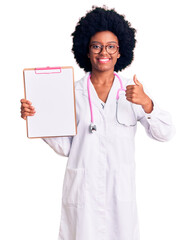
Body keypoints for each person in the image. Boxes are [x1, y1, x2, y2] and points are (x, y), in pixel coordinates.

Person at [20, 6, 175, 240]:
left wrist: (147, 103)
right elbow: (65, 147)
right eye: (96, 46)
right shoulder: (71, 93)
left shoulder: (132, 93)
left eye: (111, 46)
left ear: (121, 51)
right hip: (83, 196)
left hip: (119, 196)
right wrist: (36, 117)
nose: (104, 52)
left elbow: (165, 133)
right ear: (87, 50)